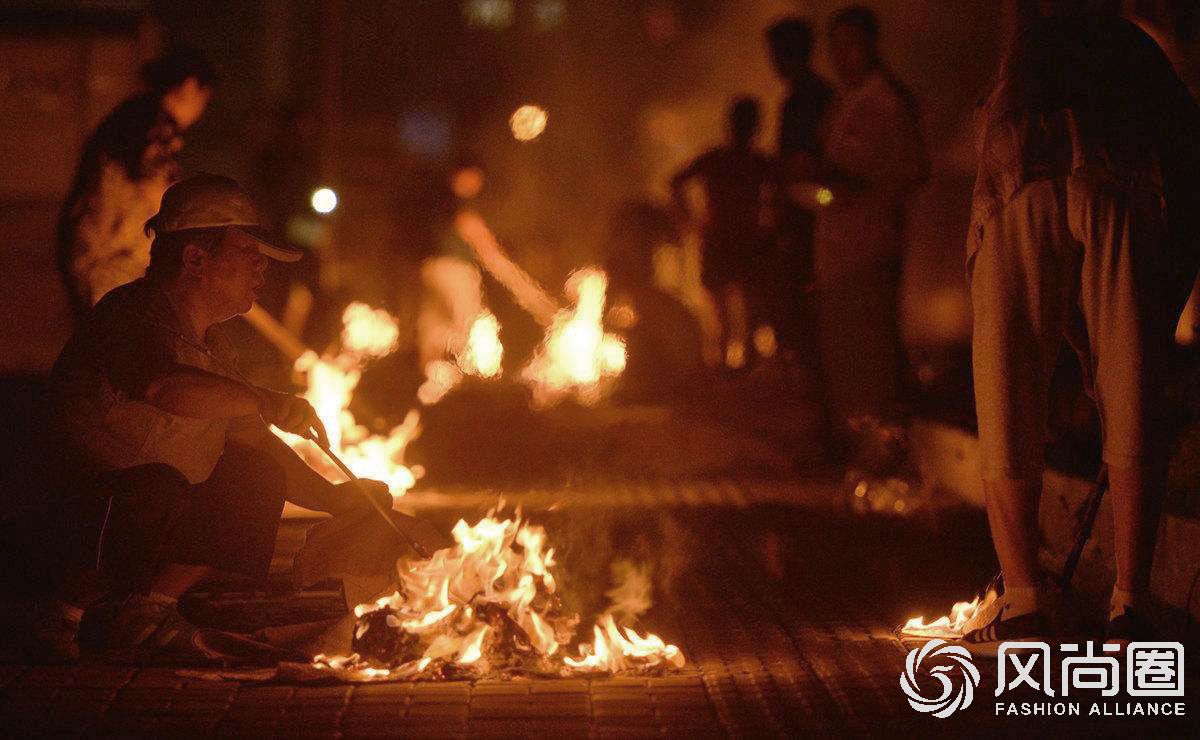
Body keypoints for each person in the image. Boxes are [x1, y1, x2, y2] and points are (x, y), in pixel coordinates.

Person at [37, 175, 447, 663]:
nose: (262, 266)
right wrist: (262, 398)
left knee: (255, 476)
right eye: (248, 251)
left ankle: (148, 610)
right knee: (157, 487)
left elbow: (251, 441)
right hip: (75, 509)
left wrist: (339, 497)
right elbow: (167, 388)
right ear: (195, 258)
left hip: (146, 506)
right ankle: (60, 613)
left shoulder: (212, 343)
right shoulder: (132, 316)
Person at [960, 6, 1200, 653]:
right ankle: (1132, 606)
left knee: (1007, 378)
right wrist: (1140, 341)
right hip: (1117, 170)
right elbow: (1186, 169)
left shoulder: (1025, 50)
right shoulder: (1140, 51)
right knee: (1131, 387)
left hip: (1015, 175)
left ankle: (1023, 603)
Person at [812, 5, 928, 452]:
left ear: (870, 45)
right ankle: (867, 459)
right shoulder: (848, 102)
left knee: (872, 362)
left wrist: (842, 183)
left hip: (869, 251)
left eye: (851, 44)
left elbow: (909, 171)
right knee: (849, 364)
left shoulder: (885, 101)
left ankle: (888, 459)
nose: (842, 55)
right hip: (839, 256)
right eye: (835, 47)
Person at [56, 47, 216, 320]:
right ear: (190, 86)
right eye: (204, 100)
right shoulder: (152, 123)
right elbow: (162, 197)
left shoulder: (139, 116)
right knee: (115, 343)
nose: (201, 111)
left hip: (101, 254)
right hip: (107, 259)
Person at [670, 97, 776, 369]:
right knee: (734, 317)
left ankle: (731, 371)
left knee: (736, 317)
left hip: (735, 243)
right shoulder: (742, 161)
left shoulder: (732, 161)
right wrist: (688, 219)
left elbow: (677, 181)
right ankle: (730, 371)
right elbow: (677, 181)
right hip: (736, 243)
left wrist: (689, 220)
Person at [765, 18, 834, 358]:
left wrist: (795, 199)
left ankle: (815, 381)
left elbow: (804, 164)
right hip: (809, 212)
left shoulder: (807, 99)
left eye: (775, 53)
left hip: (810, 215)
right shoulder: (811, 94)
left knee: (806, 299)